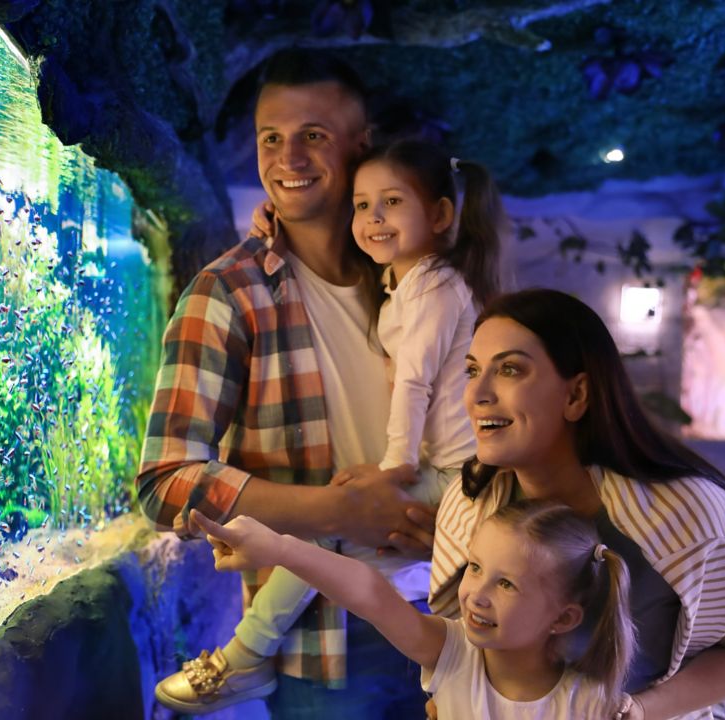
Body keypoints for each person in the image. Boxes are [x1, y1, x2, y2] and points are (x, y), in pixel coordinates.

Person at [136, 48, 438, 718]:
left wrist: (447, 523)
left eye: (314, 136)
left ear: (362, 146)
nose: (288, 158)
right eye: (271, 138)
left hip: (461, 613)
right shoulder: (228, 293)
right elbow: (165, 482)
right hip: (329, 646)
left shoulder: (421, 280)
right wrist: (338, 513)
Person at [157, 138, 502, 713]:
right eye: (363, 206)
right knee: (335, 531)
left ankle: (243, 657)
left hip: (452, 472)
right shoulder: (404, 280)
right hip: (439, 491)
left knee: (323, 527)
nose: (372, 219)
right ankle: (248, 655)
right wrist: (271, 231)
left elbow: (413, 383)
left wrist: (394, 469)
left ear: (440, 215)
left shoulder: (434, 287)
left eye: (391, 203)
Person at [432, 288, 725, 720]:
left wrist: (638, 710)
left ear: (576, 395)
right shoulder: (469, 504)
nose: (477, 394)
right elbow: (460, 644)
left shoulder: (688, 514)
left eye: (510, 369)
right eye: (472, 370)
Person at [188, 497, 637, 720]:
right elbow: (371, 593)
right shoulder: (453, 651)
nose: (476, 594)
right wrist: (279, 548)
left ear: (562, 618)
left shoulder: (591, 702)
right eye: (475, 568)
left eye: (506, 583)